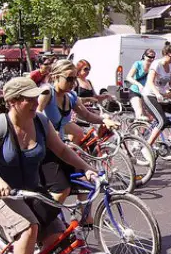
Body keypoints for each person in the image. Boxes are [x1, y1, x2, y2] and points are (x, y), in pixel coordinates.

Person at [0, 77, 98, 254]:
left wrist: (87, 167)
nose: (35, 102)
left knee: (57, 237)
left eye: (35, 98)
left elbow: (61, 149)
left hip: (32, 190)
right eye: (28, 99)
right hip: (0, 193)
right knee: (29, 228)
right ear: (13, 101)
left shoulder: (41, 122)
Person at [37, 60, 118, 202]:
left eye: (74, 78)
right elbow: (35, 115)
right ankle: (47, 221)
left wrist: (104, 120)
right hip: (45, 148)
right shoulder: (46, 92)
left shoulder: (71, 96)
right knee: (62, 190)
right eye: (69, 78)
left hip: (61, 146)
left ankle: (86, 222)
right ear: (56, 76)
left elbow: (86, 115)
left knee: (86, 183)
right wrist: (49, 129)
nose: (72, 82)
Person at [125, 49, 156, 120]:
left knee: (150, 117)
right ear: (144, 56)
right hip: (135, 91)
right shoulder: (138, 64)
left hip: (146, 93)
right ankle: (135, 130)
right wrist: (139, 85)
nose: (151, 59)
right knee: (139, 113)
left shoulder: (153, 66)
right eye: (149, 57)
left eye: (153, 57)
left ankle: (144, 130)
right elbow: (128, 77)